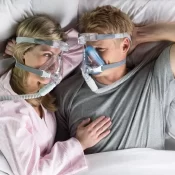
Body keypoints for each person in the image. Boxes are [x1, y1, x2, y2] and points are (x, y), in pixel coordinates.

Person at [54, 5, 175, 154]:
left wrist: (140, 35)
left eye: (100, 49)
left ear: (125, 45)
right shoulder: (66, 92)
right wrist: (77, 144)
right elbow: (58, 158)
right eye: (87, 48)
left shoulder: (153, 79)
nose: (90, 57)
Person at [0, 15, 112, 175]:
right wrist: (79, 144)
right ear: (24, 53)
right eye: (47, 55)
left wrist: (54, 50)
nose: (54, 66)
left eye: (58, 56)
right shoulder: (9, 113)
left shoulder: (40, 79)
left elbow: (79, 46)